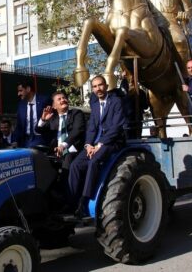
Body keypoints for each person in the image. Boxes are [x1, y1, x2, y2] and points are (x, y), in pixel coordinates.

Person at [69, 75, 125, 218]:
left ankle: (84, 201)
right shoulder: (94, 105)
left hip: (112, 142)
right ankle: (72, 200)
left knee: (93, 162)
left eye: (100, 85)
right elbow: (92, 129)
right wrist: (88, 145)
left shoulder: (116, 102)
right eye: (94, 86)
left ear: (106, 86)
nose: (98, 89)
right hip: (95, 144)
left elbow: (116, 127)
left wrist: (100, 144)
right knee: (76, 164)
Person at [36, 91, 86, 172]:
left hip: (72, 149)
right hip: (55, 152)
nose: (63, 100)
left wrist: (63, 146)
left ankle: (65, 183)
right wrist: (43, 120)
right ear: (54, 106)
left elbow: (77, 130)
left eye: (64, 98)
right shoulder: (52, 118)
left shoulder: (76, 113)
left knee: (68, 157)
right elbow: (39, 130)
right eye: (59, 99)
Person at [14, 79, 52, 148]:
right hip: (25, 141)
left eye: (20, 91)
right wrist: (15, 141)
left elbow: (52, 121)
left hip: (41, 139)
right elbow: (19, 126)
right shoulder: (21, 105)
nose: (18, 94)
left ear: (28, 89)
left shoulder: (45, 100)